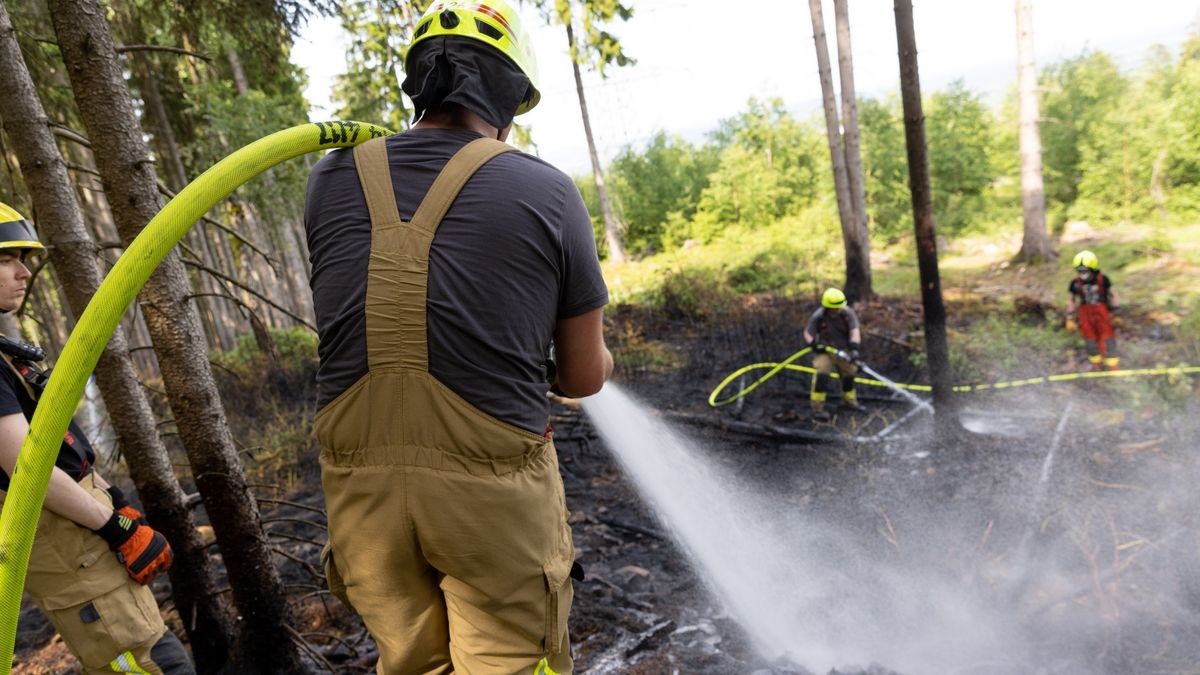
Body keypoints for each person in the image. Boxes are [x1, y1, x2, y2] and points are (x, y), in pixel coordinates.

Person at [303, 1, 613, 672]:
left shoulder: (326, 177)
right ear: (508, 94)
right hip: (491, 495)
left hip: (361, 498)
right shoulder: (546, 190)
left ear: (420, 82)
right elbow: (585, 377)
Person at [0, 203, 190, 674]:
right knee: (144, 663)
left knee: (154, 649)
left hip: (79, 536)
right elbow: (29, 472)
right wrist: (113, 527)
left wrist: (116, 503)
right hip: (67, 548)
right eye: (6, 260)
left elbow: (61, 450)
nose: (24, 273)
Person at [802, 288, 863, 421]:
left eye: (838, 307)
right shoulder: (819, 316)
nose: (836, 310)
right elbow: (807, 333)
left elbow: (855, 331)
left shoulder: (848, 314)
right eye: (833, 308)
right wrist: (814, 345)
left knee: (849, 375)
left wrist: (854, 349)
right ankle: (818, 409)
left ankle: (850, 402)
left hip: (844, 350)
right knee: (822, 374)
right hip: (826, 351)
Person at [1066, 250, 1119, 371]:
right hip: (1085, 315)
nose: (1082, 273)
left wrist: (1116, 312)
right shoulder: (1075, 284)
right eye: (1079, 270)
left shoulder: (1103, 279)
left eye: (1084, 270)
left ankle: (1113, 367)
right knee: (1090, 340)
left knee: (1108, 338)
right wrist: (1070, 318)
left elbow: (1114, 295)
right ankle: (1097, 366)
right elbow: (1071, 300)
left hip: (1102, 313)